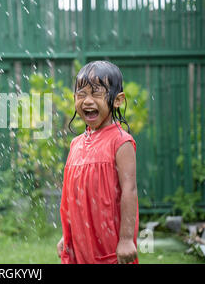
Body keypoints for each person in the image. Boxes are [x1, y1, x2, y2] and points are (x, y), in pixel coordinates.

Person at [57, 61, 139, 264]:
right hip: (79, 243)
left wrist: (127, 239)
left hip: (108, 242)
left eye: (96, 94)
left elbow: (130, 190)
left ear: (117, 100)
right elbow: (72, 197)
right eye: (81, 94)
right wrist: (66, 234)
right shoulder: (76, 144)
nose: (87, 101)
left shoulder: (121, 142)